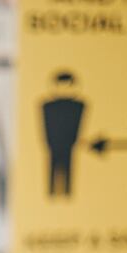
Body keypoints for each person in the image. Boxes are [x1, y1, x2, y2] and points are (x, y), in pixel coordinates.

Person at [42, 71, 86, 199]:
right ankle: (53, 193)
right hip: (54, 145)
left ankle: (66, 194)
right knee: (52, 174)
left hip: (68, 145)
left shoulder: (77, 106)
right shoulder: (48, 106)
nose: (64, 88)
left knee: (68, 174)